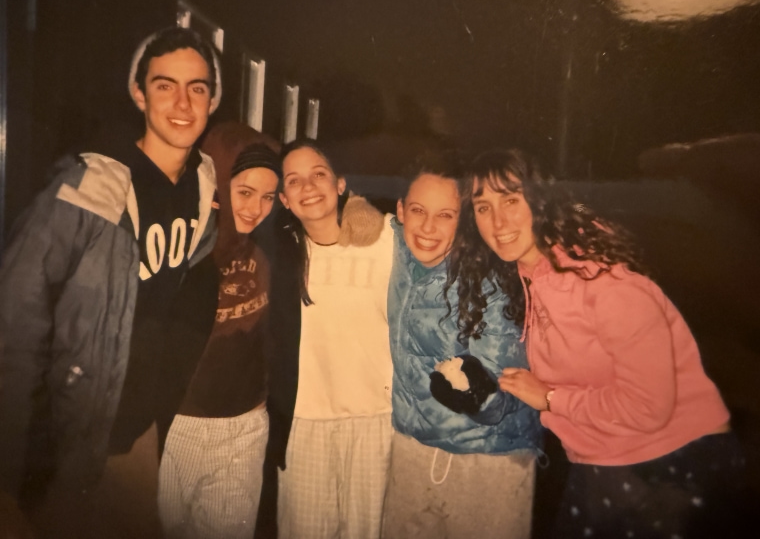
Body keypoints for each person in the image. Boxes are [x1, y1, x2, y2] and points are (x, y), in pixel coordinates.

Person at [451, 148, 745, 538]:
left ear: (539, 200)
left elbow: (648, 407)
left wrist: (551, 399)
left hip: (668, 464)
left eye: (510, 200)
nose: (498, 221)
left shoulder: (603, 281)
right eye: (483, 207)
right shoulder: (533, 275)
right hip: (605, 459)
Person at [0, 26, 221, 538]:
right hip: (64, 446)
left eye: (198, 88)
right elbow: (12, 330)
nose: (183, 103)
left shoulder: (202, 185)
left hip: (138, 438)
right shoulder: (85, 192)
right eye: (165, 85)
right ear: (139, 93)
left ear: (213, 101)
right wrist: (6, 479)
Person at [382, 160, 542, 539]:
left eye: (446, 215)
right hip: (413, 448)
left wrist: (474, 392)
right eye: (418, 210)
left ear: (464, 221)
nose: (428, 228)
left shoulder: (488, 279)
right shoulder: (396, 250)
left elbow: (502, 398)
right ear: (400, 211)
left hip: (487, 458)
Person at [257, 139, 394, 539]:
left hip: (375, 420)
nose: (309, 187)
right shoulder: (280, 252)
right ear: (284, 199)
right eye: (294, 181)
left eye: (319, 174)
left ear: (340, 184)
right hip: (305, 423)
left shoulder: (384, 238)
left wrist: (364, 206)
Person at [157, 121, 281, 539]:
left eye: (267, 196)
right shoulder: (177, 248)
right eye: (244, 192)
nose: (255, 208)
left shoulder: (266, 249)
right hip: (176, 427)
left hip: (244, 428)